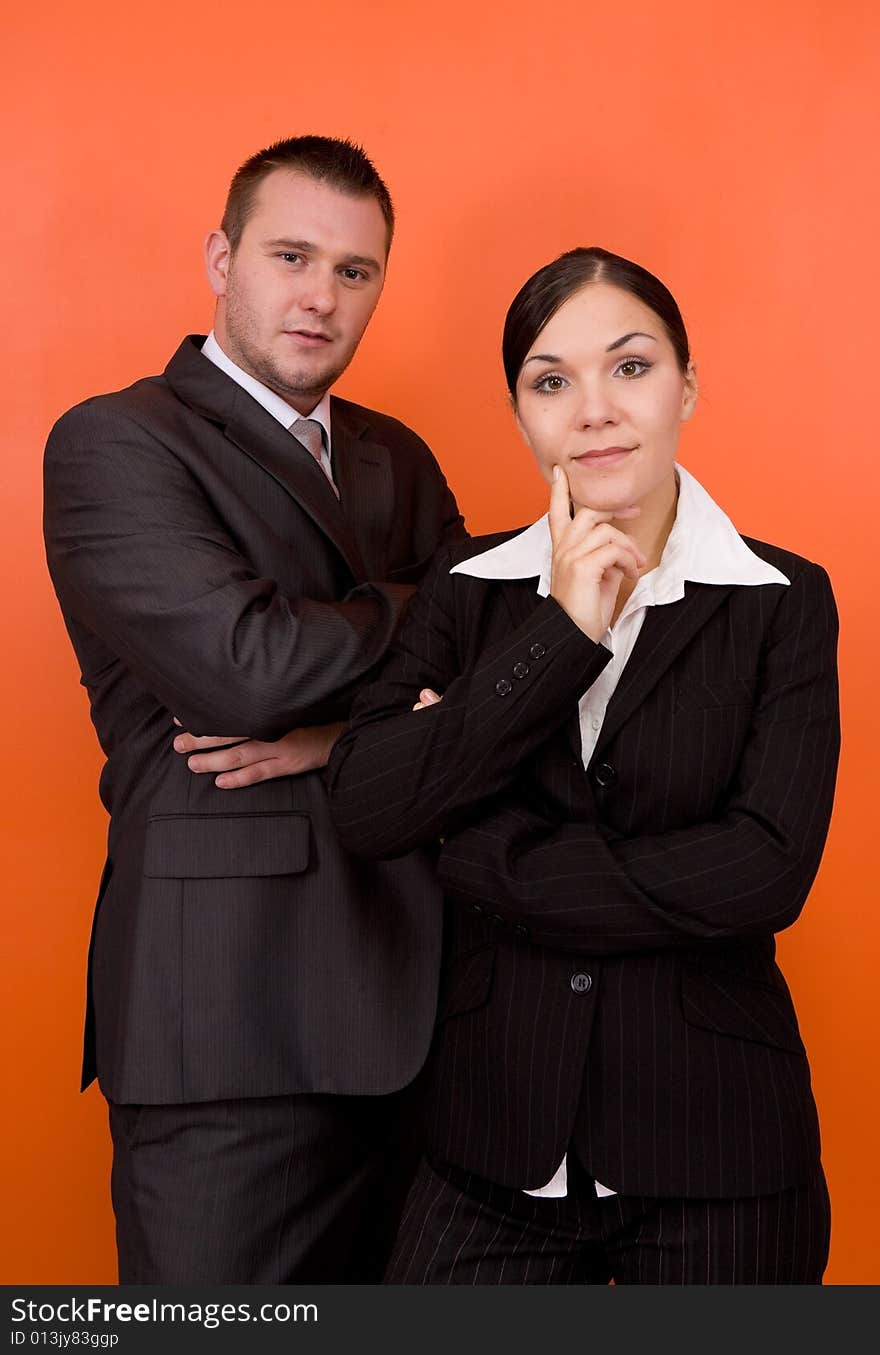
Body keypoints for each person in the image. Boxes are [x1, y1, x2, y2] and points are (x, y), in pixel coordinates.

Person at [325, 246, 839, 1284]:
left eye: (631, 366)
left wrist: (486, 856)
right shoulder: (469, 590)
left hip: (719, 1145)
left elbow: (765, 867)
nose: (594, 409)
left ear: (688, 386)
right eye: (551, 380)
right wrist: (559, 630)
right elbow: (370, 804)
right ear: (521, 415)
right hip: (490, 1139)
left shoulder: (781, 597)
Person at [42, 134, 466, 1284]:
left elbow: (491, 677)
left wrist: (341, 720)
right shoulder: (116, 441)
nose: (320, 297)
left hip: (424, 1014)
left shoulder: (400, 458)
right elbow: (247, 670)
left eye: (355, 270)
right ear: (221, 258)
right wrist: (418, 606)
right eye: (291, 255)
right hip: (223, 1029)